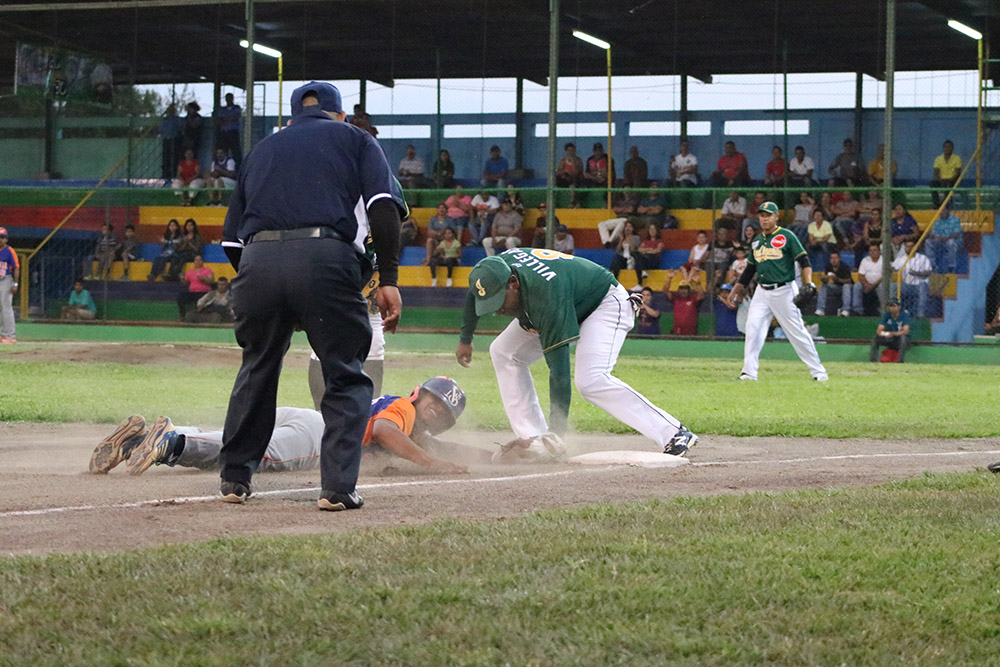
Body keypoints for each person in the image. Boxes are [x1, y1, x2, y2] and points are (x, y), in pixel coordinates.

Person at [219, 80, 404, 510]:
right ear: (339, 114)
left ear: (293, 115)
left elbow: (230, 240)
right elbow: (382, 207)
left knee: (258, 368)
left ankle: (234, 478)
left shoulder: (262, 150)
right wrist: (388, 277)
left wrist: (267, 282)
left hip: (257, 261)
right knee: (344, 373)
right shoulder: (356, 138)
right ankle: (337, 489)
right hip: (326, 257)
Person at [456, 250, 699, 457]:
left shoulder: (546, 298)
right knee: (503, 351)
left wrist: (558, 435)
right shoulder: (493, 271)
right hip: (569, 301)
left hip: (604, 303)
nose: (497, 310)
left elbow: (559, 372)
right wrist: (466, 339)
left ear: (513, 283)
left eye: (500, 300)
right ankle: (533, 438)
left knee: (591, 380)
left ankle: (674, 432)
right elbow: (476, 292)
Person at [88, 377, 474, 477]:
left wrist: (505, 453)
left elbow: (443, 451)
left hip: (305, 420)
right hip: (318, 436)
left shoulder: (416, 434)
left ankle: (136, 440)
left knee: (236, 438)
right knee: (256, 455)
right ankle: (172, 442)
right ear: (418, 394)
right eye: (434, 402)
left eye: (445, 414)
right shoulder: (402, 411)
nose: (437, 411)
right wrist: (433, 465)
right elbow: (387, 433)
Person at [727, 201, 828, 381]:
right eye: (762, 215)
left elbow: (804, 260)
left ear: (776, 217)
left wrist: (809, 282)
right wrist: (735, 289)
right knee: (753, 329)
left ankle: (818, 371)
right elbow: (750, 269)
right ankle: (749, 372)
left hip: (784, 290)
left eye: (768, 215)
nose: (764, 219)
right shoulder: (757, 241)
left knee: (796, 332)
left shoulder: (787, 236)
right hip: (762, 291)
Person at [891, 240, 932, 318]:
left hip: (919, 285)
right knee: (893, 286)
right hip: (907, 286)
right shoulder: (900, 259)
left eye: (911, 246)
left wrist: (916, 273)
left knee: (923, 285)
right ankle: (895, 311)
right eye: (907, 246)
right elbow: (893, 269)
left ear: (915, 247)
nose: (909, 248)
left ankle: (921, 314)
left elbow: (929, 272)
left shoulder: (922, 258)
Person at [925, 205, 964, 274]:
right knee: (928, 242)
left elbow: (956, 235)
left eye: (943, 211)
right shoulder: (937, 222)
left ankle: (951, 267)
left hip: (953, 241)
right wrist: (932, 235)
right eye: (939, 211)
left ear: (947, 211)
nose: (941, 213)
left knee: (950, 242)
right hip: (940, 241)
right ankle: (932, 266)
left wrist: (945, 238)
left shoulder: (955, 220)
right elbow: (934, 234)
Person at [869, 298, 910, 363]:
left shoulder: (904, 315)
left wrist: (892, 333)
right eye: (890, 306)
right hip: (890, 338)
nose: (892, 308)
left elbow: (905, 331)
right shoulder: (887, 315)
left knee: (903, 339)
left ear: (899, 307)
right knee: (876, 339)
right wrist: (885, 334)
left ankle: (900, 361)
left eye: (894, 306)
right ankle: (872, 360)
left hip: (899, 339)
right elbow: (879, 330)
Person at [815, 250, 854, 316]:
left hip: (845, 288)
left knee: (846, 286)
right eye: (832, 258)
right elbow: (826, 281)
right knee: (823, 286)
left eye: (835, 258)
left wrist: (837, 279)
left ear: (839, 259)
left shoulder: (844, 267)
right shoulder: (828, 267)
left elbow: (849, 280)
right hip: (835, 287)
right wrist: (824, 279)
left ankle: (845, 310)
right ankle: (820, 309)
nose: (834, 260)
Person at [176, 254, 214, 320]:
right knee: (180, 296)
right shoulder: (190, 271)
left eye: (200, 260)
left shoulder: (207, 270)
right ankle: (183, 315)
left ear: (202, 261)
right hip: (193, 293)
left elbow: (211, 281)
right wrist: (182, 279)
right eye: (196, 260)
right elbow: (186, 283)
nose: (198, 262)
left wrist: (204, 278)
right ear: (194, 262)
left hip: (204, 293)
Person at [664, 271, 703, 335]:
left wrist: (698, 283)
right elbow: (666, 291)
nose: (683, 291)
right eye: (681, 289)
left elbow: (701, 296)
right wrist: (669, 279)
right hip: (677, 332)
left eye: (685, 289)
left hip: (691, 333)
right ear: (678, 290)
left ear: (689, 290)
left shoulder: (693, 299)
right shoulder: (675, 299)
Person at [852, 243, 884, 316]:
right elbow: (861, 275)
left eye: (875, 250)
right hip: (867, 283)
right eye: (870, 250)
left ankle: (883, 310)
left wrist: (873, 285)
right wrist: (866, 284)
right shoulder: (865, 260)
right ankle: (857, 311)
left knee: (882, 287)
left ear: (879, 251)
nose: (872, 252)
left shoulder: (884, 260)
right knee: (857, 286)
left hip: (879, 283)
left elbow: (884, 276)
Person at [931, 140, 962, 208]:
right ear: (943, 148)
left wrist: (950, 180)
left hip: (952, 180)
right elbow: (936, 172)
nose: (948, 149)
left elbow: (958, 172)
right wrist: (940, 180)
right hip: (942, 180)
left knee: (949, 184)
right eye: (946, 147)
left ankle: (944, 205)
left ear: (952, 148)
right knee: (932, 184)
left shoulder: (957, 158)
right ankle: (936, 203)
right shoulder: (938, 159)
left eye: (950, 147)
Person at [0, 228, 18, 344]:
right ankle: (2, 335)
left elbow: (16, 268)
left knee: (6, 307)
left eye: (2, 237)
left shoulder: (9, 251)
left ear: (6, 239)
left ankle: (10, 336)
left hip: (6, 279)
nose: (0, 239)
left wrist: (15, 284)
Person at [214, 92, 242, 165]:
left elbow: (236, 117)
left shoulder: (236, 108)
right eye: (227, 98)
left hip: (233, 133)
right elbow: (219, 120)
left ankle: (238, 169)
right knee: (223, 151)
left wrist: (226, 119)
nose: (228, 100)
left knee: (236, 152)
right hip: (224, 133)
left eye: (230, 98)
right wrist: (229, 119)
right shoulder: (222, 109)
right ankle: (223, 167)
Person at [159, 103, 184, 182]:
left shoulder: (177, 119)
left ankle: (174, 174)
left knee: (174, 158)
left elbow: (181, 129)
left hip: (175, 140)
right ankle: (165, 175)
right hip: (166, 139)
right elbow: (160, 129)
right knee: (166, 158)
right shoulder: (165, 120)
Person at [634, 222, 663, 287]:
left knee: (641, 257)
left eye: (654, 229)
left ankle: (640, 282)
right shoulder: (645, 241)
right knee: (637, 256)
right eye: (650, 229)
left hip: (653, 261)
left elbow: (657, 250)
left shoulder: (659, 241)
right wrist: (649, 249)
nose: (652, 231)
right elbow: (639, 249)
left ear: (656, 231)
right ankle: (641, 276)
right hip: (644, 259)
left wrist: (646, 250)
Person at [556, 142, 584, 207]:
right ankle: (554, 200)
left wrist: (572, 161)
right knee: (555, 179)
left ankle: (572, 201)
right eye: (569, 151)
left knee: (573, 181)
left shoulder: (578, 160)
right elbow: (558, 172)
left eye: (572, 151)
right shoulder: (563, 160)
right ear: (566, 151)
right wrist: (565, 171)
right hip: (565, 179)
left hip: (576, 179)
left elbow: (577, 172)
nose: (570, 152)